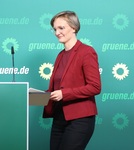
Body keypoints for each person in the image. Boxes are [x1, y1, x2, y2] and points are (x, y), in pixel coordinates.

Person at [43, 10, 101, 150]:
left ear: (74, 28)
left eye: (61, 28)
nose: (57, 32)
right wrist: (32, 98)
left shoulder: (86, 52)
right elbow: (54, 91)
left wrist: (64, 94)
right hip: (59, 118)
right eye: (55, 29)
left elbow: (95, 87)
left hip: (80, 119)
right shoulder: (60, 55)